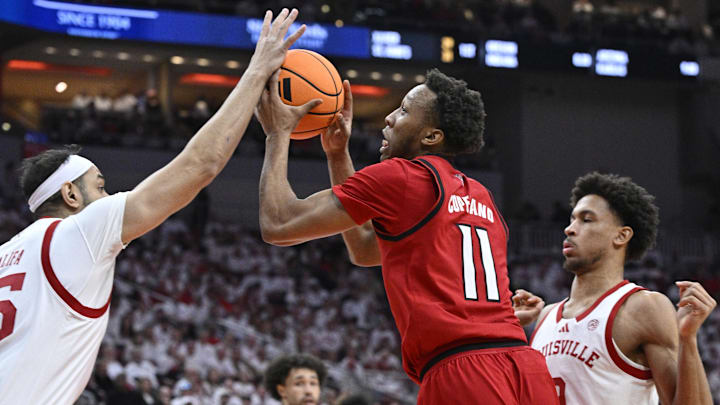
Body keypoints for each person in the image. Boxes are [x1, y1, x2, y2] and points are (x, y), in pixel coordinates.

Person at [0, 8, 306, 404]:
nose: (109, 197)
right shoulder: (81, 230)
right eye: (100, 186)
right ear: (71, 196)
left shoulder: (7, 253)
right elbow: (199, 166)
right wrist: (257, 71)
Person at [256, 69, 558, 404]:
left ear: (431, 137)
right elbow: (367, 250)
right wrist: (338, 156)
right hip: (523, 366)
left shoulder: (402, 177)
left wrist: (277, 133)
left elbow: (279, 224)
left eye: (402, 111)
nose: (387, 117)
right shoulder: (480, 194)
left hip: (464, 371)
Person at [512, 172, 717, 404]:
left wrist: (688, 339)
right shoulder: (544, 317)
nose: (569, 229)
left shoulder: (643, 308)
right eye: (571, 220)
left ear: (621, 235)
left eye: (586, 220)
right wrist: (507, 328)